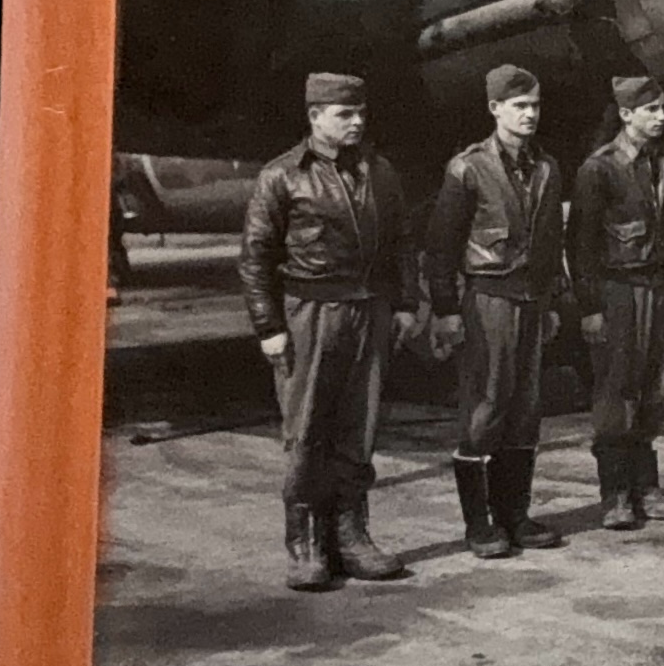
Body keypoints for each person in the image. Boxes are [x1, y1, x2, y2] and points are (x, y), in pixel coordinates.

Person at [238, 72, 420, 592]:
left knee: (358, 428)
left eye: (361, 112)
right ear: (314, 116)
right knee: (307, 429)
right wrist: (268, 326)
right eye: (344, 114)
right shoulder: (282, 177)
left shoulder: (380, 173)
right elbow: (255, 258)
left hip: (368, 312)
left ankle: (352, 536)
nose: (357, 121)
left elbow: (401, 242)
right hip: (309, 315)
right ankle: (307, 545)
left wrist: (405, 304)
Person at [422, 64, 567, 559]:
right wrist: (445, 311)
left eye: (536, 106)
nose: (530, 115)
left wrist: (552, 302)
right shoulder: (467, 168)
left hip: (531, 300)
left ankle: (516, 515)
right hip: (488, 299)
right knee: (486, 406)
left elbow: (552, 243)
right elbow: (441, 249)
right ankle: (480, 524)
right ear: (495, 109)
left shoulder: (547, 167)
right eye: (519, 106)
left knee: (526, 409)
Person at [568, 75, 664, 530]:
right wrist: (590, 308)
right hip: (618, 291)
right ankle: (616, 493)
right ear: (626, 114)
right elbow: (580, 247)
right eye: (651, 110)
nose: (661, 117)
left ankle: (648, 486)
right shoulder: (598, 169)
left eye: (662, 109)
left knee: (655, 391)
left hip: (658, 291)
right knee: (616, 392)